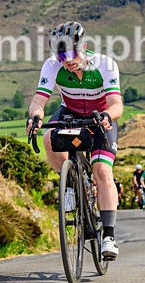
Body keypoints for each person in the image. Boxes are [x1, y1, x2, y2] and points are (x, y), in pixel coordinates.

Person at [26, 21, 123, 260]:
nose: (66, 60)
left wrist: (107, 117)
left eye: (70, 52)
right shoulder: (51, 66)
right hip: (69, 112)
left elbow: (117, 105)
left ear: (84, 47)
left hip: (100, 116)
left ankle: (108, 237)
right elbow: (39, 102)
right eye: (61, 55)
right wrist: (35, 117)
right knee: (49, 136)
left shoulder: (104, 64)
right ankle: (70, 181)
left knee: (102, 171)